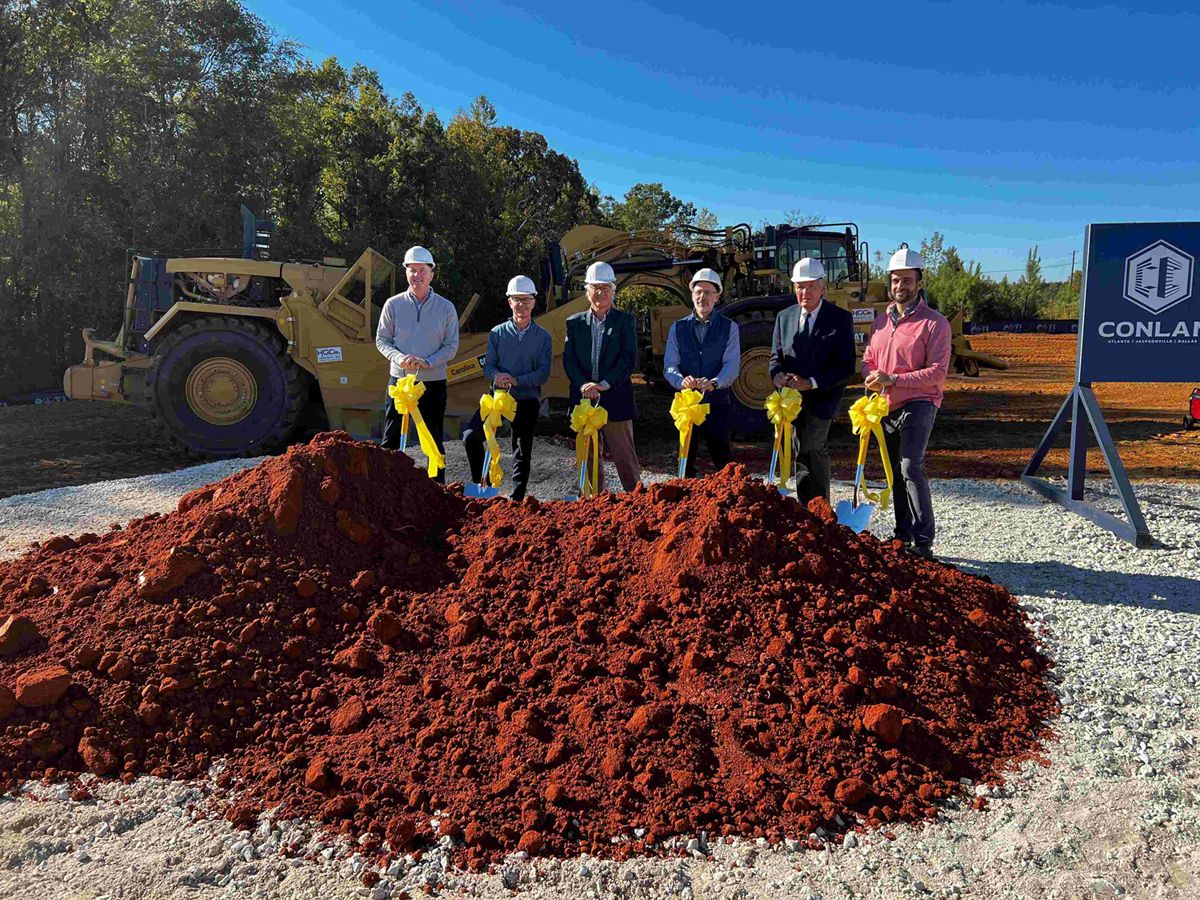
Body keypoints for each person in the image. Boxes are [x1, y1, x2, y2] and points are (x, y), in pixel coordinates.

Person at [862, 245, 952, 560]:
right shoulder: (880, 322)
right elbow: (869, 359)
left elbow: (937, 372)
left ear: (920, 282)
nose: (901, 286)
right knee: (893, 471)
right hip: (885, 405)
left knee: (911, 465)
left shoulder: (935, 323)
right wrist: (871, 375)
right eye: (896, 280)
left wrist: (895, 380)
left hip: (920, 401)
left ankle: (923, 539)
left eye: (907, 280)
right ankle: (902, 534)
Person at [768, 257, 856, 502]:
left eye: (810, 286)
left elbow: (846, 366)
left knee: (812, 449)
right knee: (798, 452)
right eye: (800, 286)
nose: (804, 292)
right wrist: (778, 377)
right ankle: (805, 510)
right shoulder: (784, 317)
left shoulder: (839, 319)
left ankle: (818, 510)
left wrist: (812, 382)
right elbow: (775, 358)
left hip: (821, 399)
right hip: (789, 402)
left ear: (823, 287)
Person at [461, 276, 552, 501]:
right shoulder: (497, 333)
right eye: (516, 299)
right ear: (509, 302)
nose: (521, 304)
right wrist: (497, 376)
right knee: (470, 437)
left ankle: (516, 499)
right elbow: (489, 366)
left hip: (527, 399)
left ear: (533, 302)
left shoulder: (543, 337)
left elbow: (543, 373)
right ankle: (483, 486)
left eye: (526, 299)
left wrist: (517, 380)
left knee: (521, 448)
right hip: (498, 397)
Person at [375, 245, 460, 483]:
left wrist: (428, 362)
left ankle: (437, 489)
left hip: (432, 384)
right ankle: (386, 486)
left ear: (432, 273)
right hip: (399, 383)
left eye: (422, 270)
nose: (417, 275)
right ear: (406, 273)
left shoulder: (446, 308)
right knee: (391, 436)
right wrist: (400, 358)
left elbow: (451, 346)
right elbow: (382, 340)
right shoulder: (393, 305)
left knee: (433, 438)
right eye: (412, 270)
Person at [562, 261, 641, 492]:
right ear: (587, 292)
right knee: (589, 458)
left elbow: (628, 360)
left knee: (625, 457)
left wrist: (604, 384)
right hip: (584, 399)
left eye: (605, 288)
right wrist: (584, 384)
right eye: (595, 288)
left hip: (616, 397)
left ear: (613, 291)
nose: (600, 293)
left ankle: (637, 501)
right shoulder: (574, 323)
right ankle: (595, 503)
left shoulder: (625, 322)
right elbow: (569, 361)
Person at [662, 268, 741, 477]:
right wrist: (681, 381)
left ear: (717, 296)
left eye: (708, 292)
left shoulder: (729, 327)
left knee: (722, 457)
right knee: (685, 458)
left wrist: (715, 382)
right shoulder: (677, 328)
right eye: (698, 292)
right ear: (692, 295)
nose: (702, 297)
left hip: (717, 403)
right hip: (687, 406)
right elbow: (670, 364)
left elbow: (732, 364)